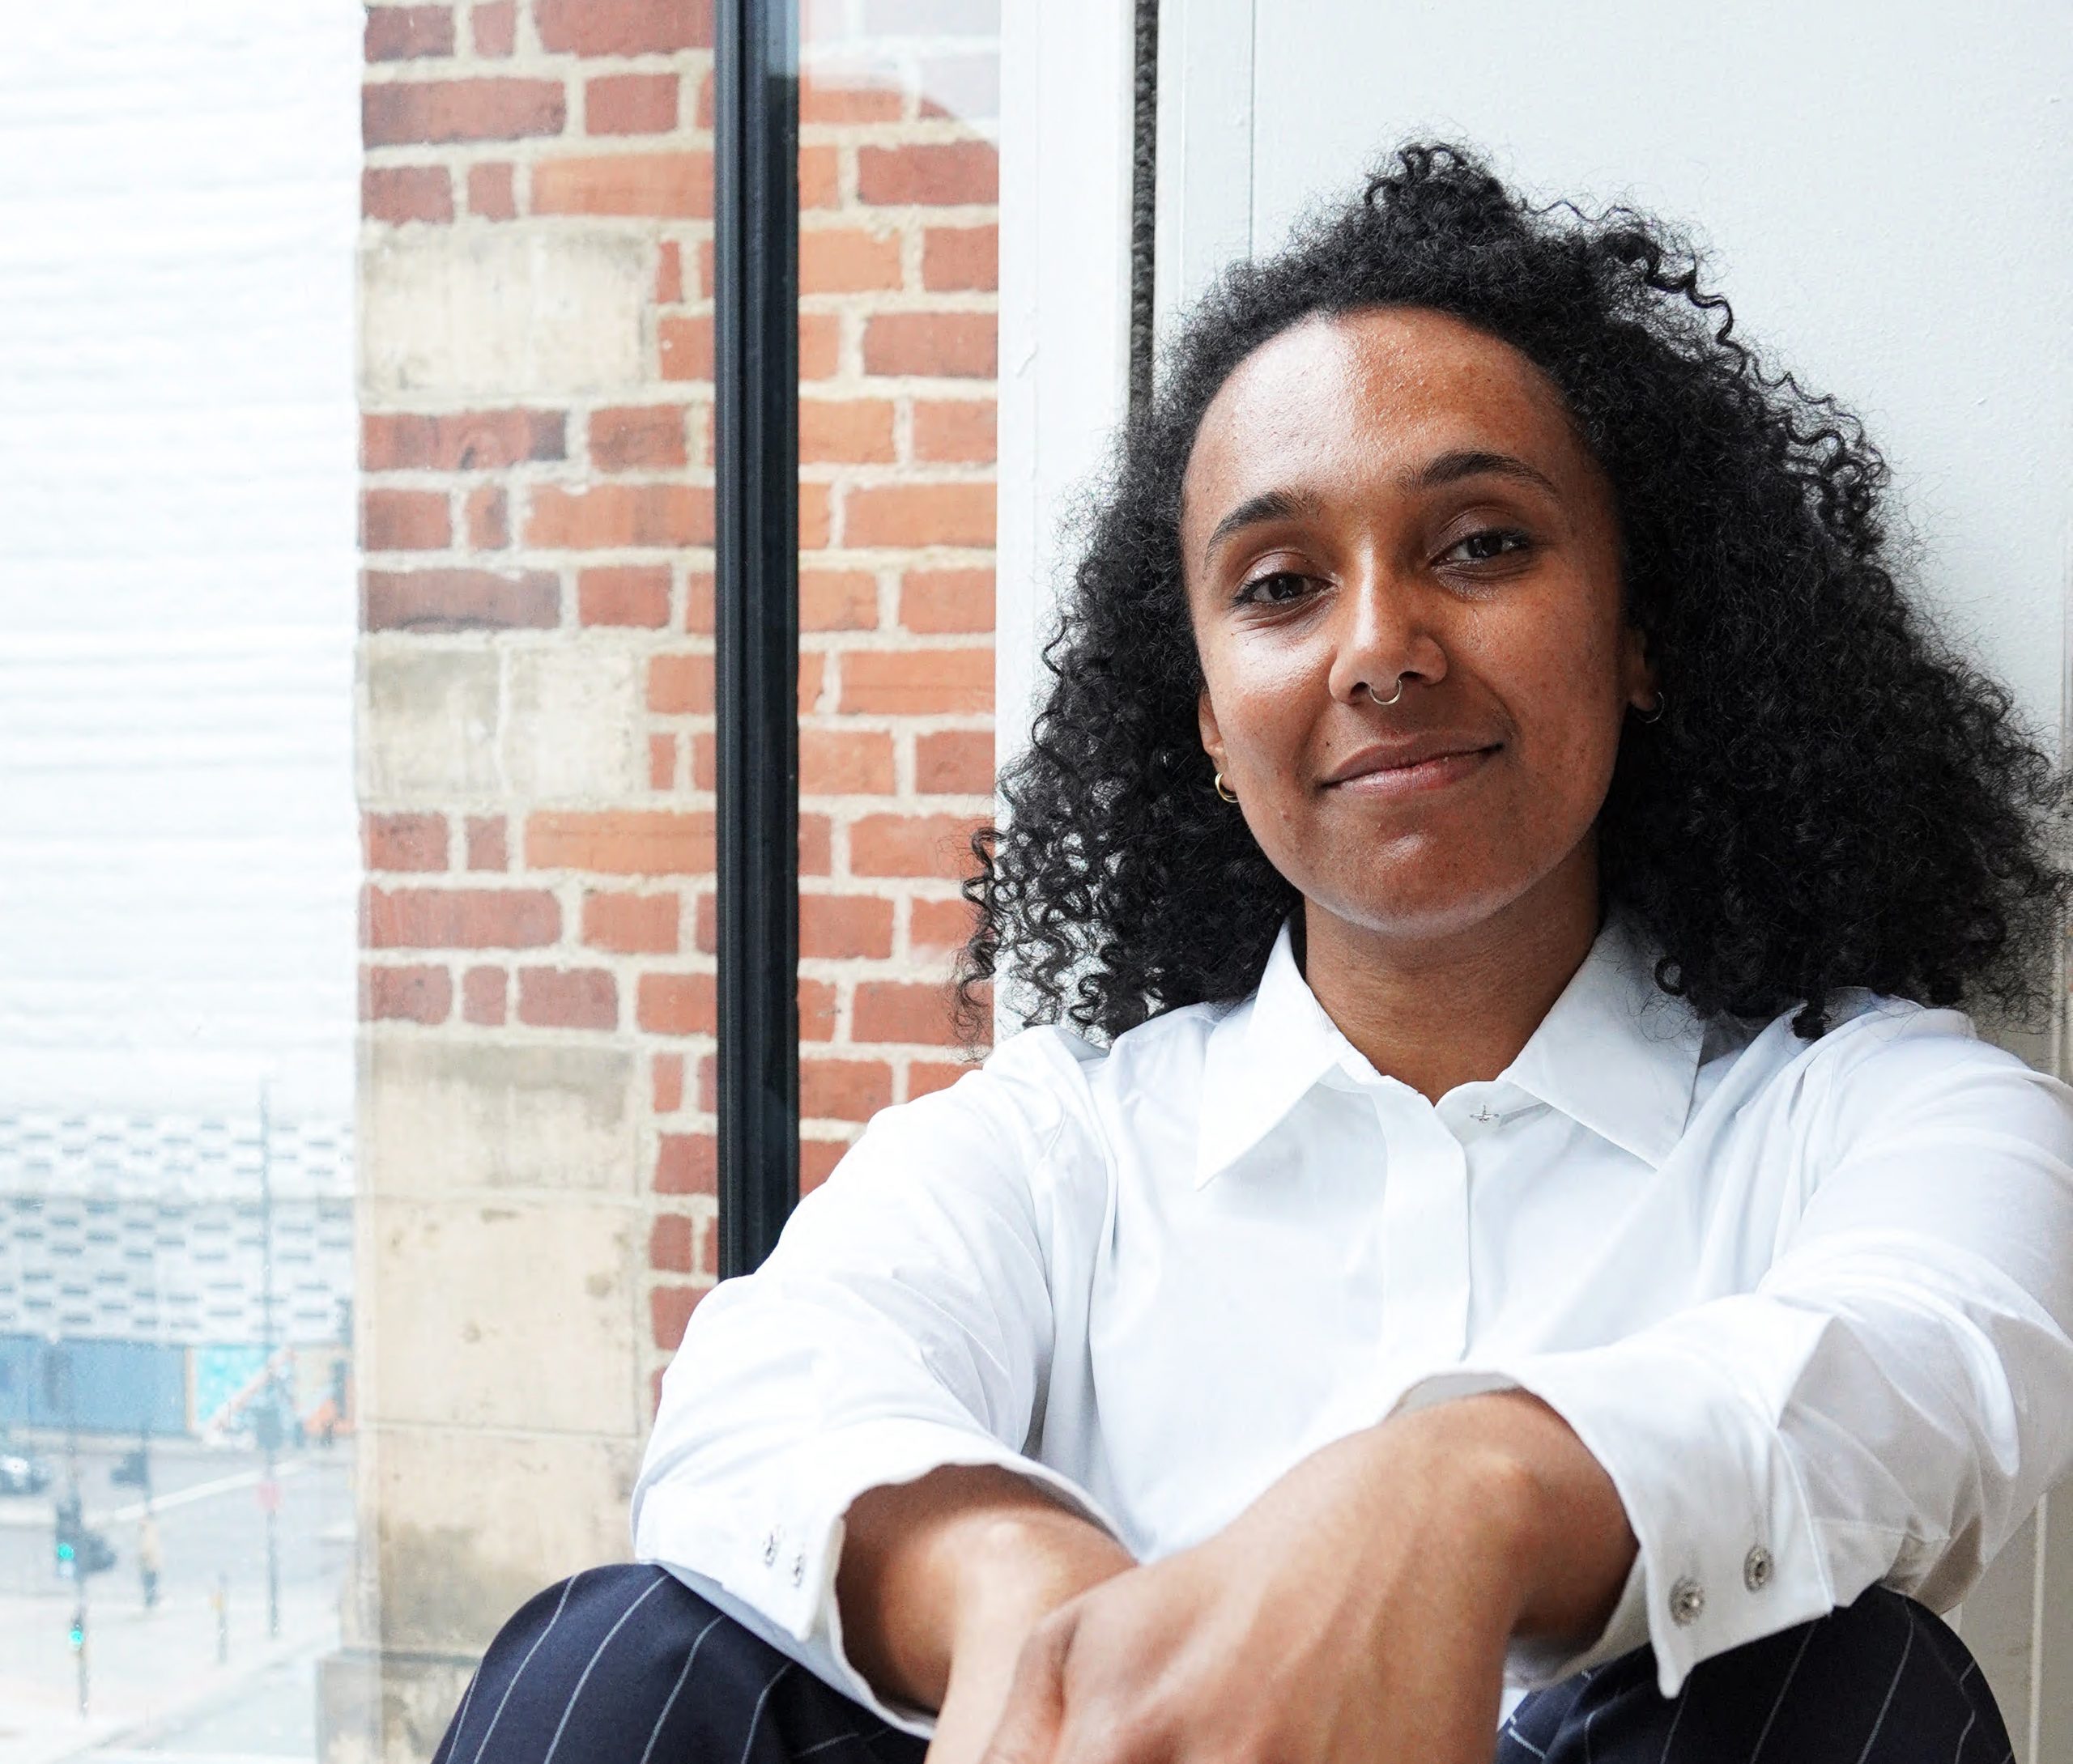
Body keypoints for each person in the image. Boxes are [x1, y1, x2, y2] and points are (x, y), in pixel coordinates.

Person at [433, 142, 2073, 1764]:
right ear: (1212, 724)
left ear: (1641, 634)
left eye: (1481, 544)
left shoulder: (1876, 1116)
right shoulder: (1059, 1150)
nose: (1379, 649)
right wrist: (1024, 1600)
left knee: (1839, 1681)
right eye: (1282, 585)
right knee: (630, 1659)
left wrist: (1459, 1500)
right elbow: (762, 1398)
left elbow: (1932, 1362)